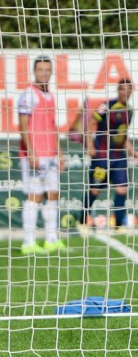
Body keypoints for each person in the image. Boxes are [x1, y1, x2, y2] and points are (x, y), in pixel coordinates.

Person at [78, 78, 138, 233]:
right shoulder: (107, 106)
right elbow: (91, 124)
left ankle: (118, 225)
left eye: (129, 89)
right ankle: (83, 221)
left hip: (119, 157)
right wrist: (90, 145)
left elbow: (122, 135)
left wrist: (133, 152)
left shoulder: (129, 111)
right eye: (123, 89)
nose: (126, 92)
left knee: (122, 190)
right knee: (95, 190)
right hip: (102, 156)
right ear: (118, 90)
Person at [17, 56, 65, 254]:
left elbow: (52, 126)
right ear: (34, 71)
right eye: (40, 70)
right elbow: (23, 127)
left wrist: (59, 153)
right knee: (34, 197)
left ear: (51, 71)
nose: (43, 73)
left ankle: (51, 238)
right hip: (34, 155)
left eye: (47, 70)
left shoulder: (50, 96)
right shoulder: (28, 94)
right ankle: (28, 242)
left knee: (53, 194)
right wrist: (31, 153)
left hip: (51, 155)